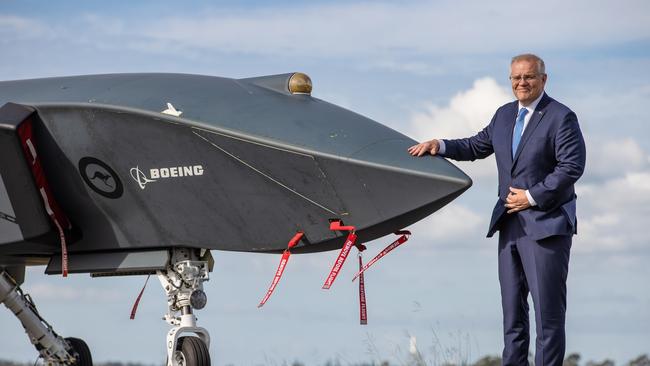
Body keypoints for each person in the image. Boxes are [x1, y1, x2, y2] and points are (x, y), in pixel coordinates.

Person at [408, 54, 586, 366]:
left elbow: (572, 166)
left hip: (548, 226)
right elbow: (477, 146)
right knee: (512, 317)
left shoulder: (561, 117)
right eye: (516, 78)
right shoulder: (504, 115)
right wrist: (441, 145)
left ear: (544, 79)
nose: (522, 83)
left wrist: (531, 197)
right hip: (510, 226)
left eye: (529, 77)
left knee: (548, 319)